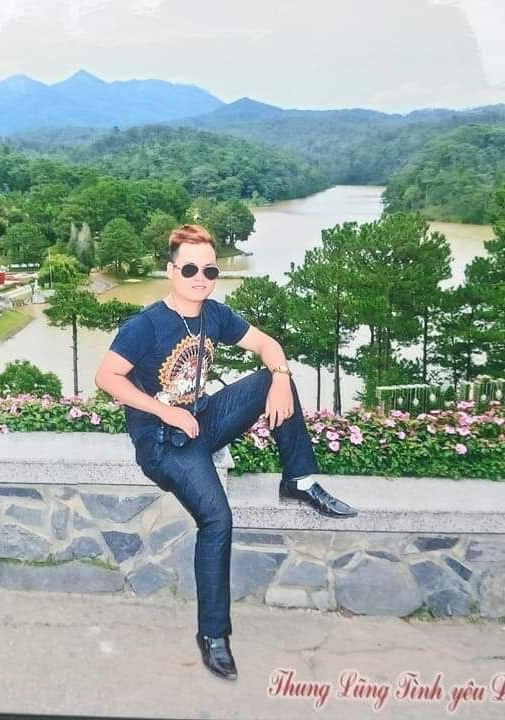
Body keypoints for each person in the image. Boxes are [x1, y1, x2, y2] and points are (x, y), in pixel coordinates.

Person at [94, 223, 358, 681]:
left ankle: (299, 479)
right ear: (171, 271)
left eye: (209, 270)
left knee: (274, 380)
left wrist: (279, 377)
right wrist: (164, 411)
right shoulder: (146, 325)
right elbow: (106, 377)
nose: (201, 278)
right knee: (217, 519)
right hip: (163, 440)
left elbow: (266, 344)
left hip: (201, 420)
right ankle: (213, 636)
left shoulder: (214, 314)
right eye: (190, 269)